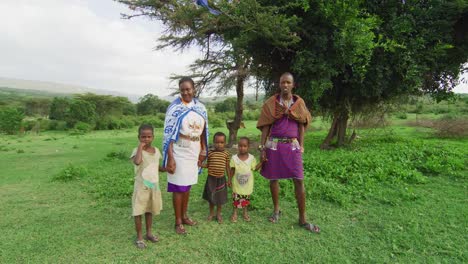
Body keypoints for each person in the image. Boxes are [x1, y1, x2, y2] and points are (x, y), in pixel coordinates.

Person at [256, 72, 320, 233]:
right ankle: (276, 210)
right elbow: (265, 126)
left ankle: (303, 218)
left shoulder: (299, 103)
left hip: (293, 146)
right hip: (274, 146)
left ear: (293, 85)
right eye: (282, 82)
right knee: (273, 178)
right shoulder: (271, 104)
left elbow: (302, 124)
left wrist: (302, 145)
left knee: (299, 180)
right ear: (279, 84)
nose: (285, 85)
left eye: (288, 82)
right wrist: (262, 148)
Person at [162, 77, 208, 235]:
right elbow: (168, 136)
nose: (186, 92)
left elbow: (204, 133)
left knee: (187, 186)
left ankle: (185, 216)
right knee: (178, 187)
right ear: (180, 91)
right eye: (182, 90)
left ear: (194, 89)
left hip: (194, 151)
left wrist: (203, 150)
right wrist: (171, 158)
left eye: (188, 89)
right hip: (179, 151)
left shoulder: (201, 108)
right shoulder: (174, 108)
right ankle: (178, 221)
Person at [130, 124, 165, 249]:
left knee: (149, 210)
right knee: (138, 211)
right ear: (139, 137)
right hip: (141, 187)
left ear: (153, 137)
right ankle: (139, 237)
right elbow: (137, 162)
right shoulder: (137, 151)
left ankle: (149, 233)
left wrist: (165, 169)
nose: (146, 139)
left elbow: (156, 166)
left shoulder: (156, 151)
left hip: (153, 186)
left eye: (149, 137)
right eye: (143, 137)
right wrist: (140, 147)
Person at [228, 137, 262, 223]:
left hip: (247, 185)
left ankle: (245, 212)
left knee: (246, 199)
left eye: (244, 146)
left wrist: (262, 162)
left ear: (248, 147)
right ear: (237, 146)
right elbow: (232, 170)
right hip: (237, 183)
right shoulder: (234, 158)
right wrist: (229, 179)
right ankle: (235, 213)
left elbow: (255, 169)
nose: (242, 148)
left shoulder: (251, 158)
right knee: (236, 199)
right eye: (240, 146)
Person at [201, 132, 230, 223]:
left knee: (220, 197)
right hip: (211, 179)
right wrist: (201, 165)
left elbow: (227, 167)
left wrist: (229, 179)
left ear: (225, 143)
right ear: (213, 142)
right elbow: (208, 165)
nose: (219, 144)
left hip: (221, 179)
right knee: (211, 196)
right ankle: (211, 213)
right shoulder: (210, 153)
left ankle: (218, 214)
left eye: (221, 142)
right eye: (217, 142)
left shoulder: (226, 154)